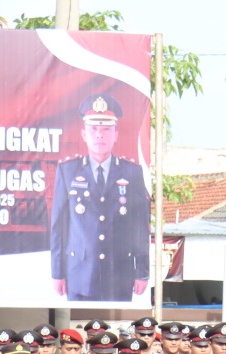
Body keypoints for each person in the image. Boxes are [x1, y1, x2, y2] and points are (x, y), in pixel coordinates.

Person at [49, 93, 150, 302]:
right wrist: (57, 272)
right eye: (93, 129)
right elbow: (59, 228)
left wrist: (142, 271)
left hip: (119, 274)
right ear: (84, 134)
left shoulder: (132, 173)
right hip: (79, 274)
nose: (99, 135)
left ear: (116, 135)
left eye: (106, 129)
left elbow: (139, 227)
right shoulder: (68, 171)